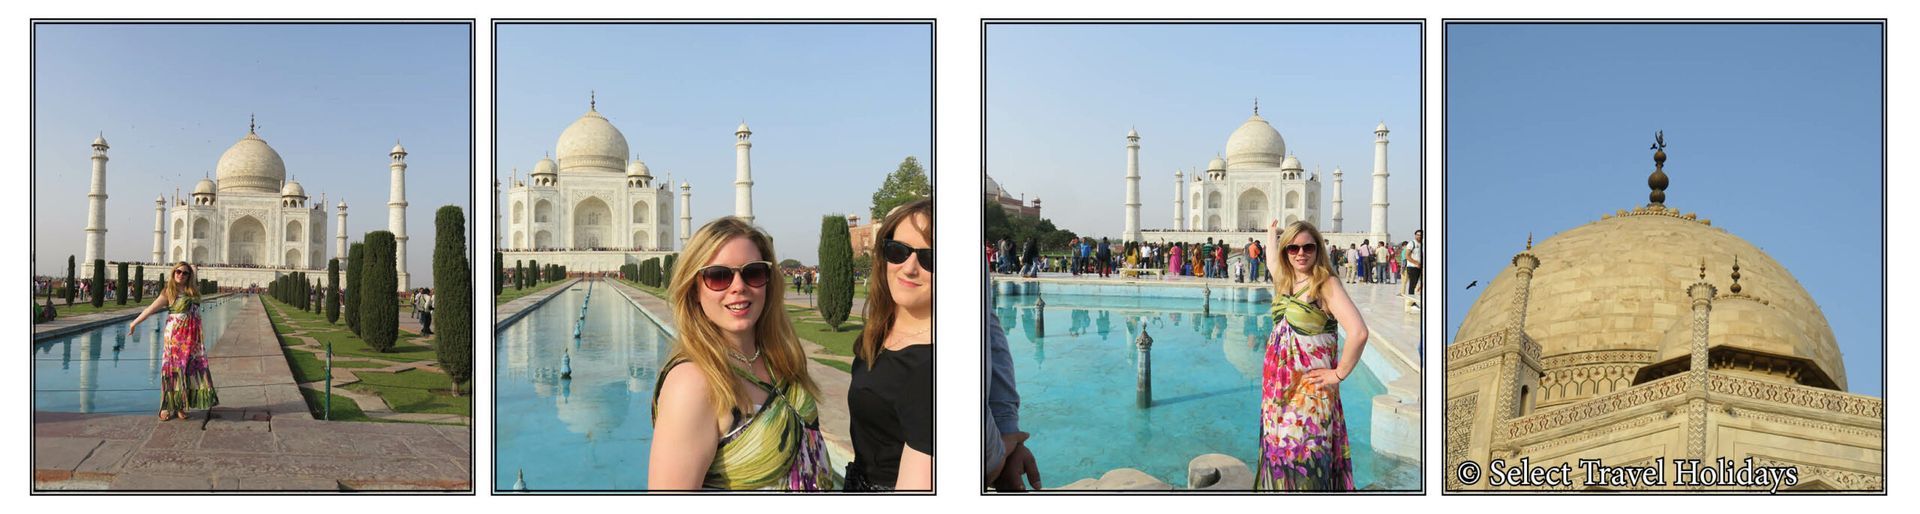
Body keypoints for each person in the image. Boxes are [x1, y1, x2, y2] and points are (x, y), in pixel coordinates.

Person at [649, 217, 834, 490]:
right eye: (718, 276)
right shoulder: (693, 383)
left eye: (753, 273)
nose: (738, 286)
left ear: (769, 282)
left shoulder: (778, 358)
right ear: (694, 290)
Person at [1258, 221, 1366, 491]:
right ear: (1286, 252)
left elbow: (1359, 332)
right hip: (1277, 394)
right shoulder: (1286, 281)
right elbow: (1271, 261)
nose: (1300, 253)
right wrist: (1271, 232)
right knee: (1280, 460)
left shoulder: (1325, 284)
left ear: (1318, 249)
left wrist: (1338, 373)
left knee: (1306, 462)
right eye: (1293, 248)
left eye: (1308, 247)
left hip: (1308, 395)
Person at [845, 198, 934, 491]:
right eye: (898, 252)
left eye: (929, 259)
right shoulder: (878, 332)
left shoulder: (932, 365)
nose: (909, 268)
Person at [127, 262, 219, 421]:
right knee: (171, 371)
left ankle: (180, 405)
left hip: (192, 338)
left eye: (185, 273)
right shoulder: (169, 292)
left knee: (187, 370)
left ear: (189, 276)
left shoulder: (193, 291)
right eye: (178, 271)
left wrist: (194, 269)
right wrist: (134, 323)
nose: (181, 275)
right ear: (173, 273)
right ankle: (165, 406)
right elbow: (150, 309)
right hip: (175, 337)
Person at [1406, 230, 1424, 298]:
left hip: (1419, 267)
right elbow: (1407, 256)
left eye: (1420, 235)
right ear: (1415, 235)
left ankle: (1414, 299)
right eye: (1417, 234)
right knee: (1412, 285)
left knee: (1418, 284)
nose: (1419, 236)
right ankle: (1411, 302)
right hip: (1412, 267)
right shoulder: (1412, 243)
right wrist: (1416, 263)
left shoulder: (1422, 244)